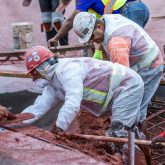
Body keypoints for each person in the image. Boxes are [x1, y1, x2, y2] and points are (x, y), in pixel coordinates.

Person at [22, 45, 144, 138]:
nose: (34, 78)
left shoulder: (68, 70)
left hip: (127, 85)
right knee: (127, 130)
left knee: (118, 134)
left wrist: (59, 128)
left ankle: (134, 156)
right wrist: (9, 125)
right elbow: (38, 108)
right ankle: (140, 144)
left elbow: (73, 102)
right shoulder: (53, 84)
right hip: (116, 92)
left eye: (34, 73)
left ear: (43, 68)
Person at [73, 12, 164, 134]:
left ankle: (140, 143)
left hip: (149, 67)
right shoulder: (106, 20)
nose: (93, 41)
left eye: (91, 37)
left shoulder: (116, 42)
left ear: (99, 27)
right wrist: (99, 51)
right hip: (141, 61)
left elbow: (124, 79)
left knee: (135, 110)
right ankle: (135, 139)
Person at [48, 0, 149, 47]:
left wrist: (56, 38)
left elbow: (71, 20)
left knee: (131, 48)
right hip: (139, 9)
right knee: (136, 46)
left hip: (130, 11)